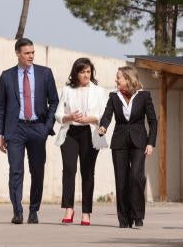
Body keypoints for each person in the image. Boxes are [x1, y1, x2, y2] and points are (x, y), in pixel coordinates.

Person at [0, 38, 59, 224]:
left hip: (38, 127)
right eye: (27, 53)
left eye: (32, 52)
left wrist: (47, 127)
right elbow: (1, 107)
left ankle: (34, 210)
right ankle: (17, 211)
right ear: (18, 53)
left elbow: (54, 101)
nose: (31, 56)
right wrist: (0, 134)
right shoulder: (6, 76)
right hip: (15, 129)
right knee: (16, 170)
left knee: (37, 171)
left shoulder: (45, 73)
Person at [98, 66, 157, 228]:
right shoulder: (114, 96)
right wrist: (103, 126)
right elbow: (107, 115)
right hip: (119, 142)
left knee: (136, 177)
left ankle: (137, 215)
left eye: (118, 77)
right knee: (122, 180)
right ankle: (124, 219)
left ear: (128, 79)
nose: (116, 80)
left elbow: (153, 121)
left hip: (139, 142)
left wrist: (151, 142)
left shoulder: (144, 96)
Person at [55, 58, 108, 226]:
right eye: (82, 72)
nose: (86, 75)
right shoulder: (67, 89)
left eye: (88, 71)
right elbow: (58, 114)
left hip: (89, 132)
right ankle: (68, 209)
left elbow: (104, 115)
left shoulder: (99, 91)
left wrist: (90, 119)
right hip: (70, 133)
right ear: (75, 73)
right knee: (69, 170)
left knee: (87, 172)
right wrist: (69, 117)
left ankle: (86, 213)